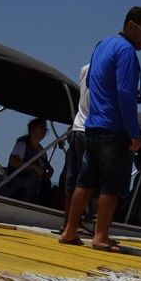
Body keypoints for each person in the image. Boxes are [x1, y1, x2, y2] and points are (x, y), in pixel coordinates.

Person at [60, 6, 141, 251]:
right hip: (114, 127)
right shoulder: (126, 51)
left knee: (85, 181)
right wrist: (133, 132)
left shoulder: (102, 45)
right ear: (131, 25)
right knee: (112, 185)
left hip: (92, 124)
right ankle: (100, 236)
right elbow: (125, 93)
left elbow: (92, 81)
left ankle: (70, 230)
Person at [62, 63, 90, 223]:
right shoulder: (108, 70)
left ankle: (67, 221)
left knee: (72, 177)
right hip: (92, 129)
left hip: (78, 126)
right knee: (86, 179)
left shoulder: (84, 69)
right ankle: (75, 222)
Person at [4, 118, 53, 204]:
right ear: (32, 129)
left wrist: (50, 171)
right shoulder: (22, 145)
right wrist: (34, 167)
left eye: (45, 129)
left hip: (36, 185)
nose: (44, 131)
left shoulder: (41, 150)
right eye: (41, 127)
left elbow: (46, 167)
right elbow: (13, 162)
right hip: (17, 181)